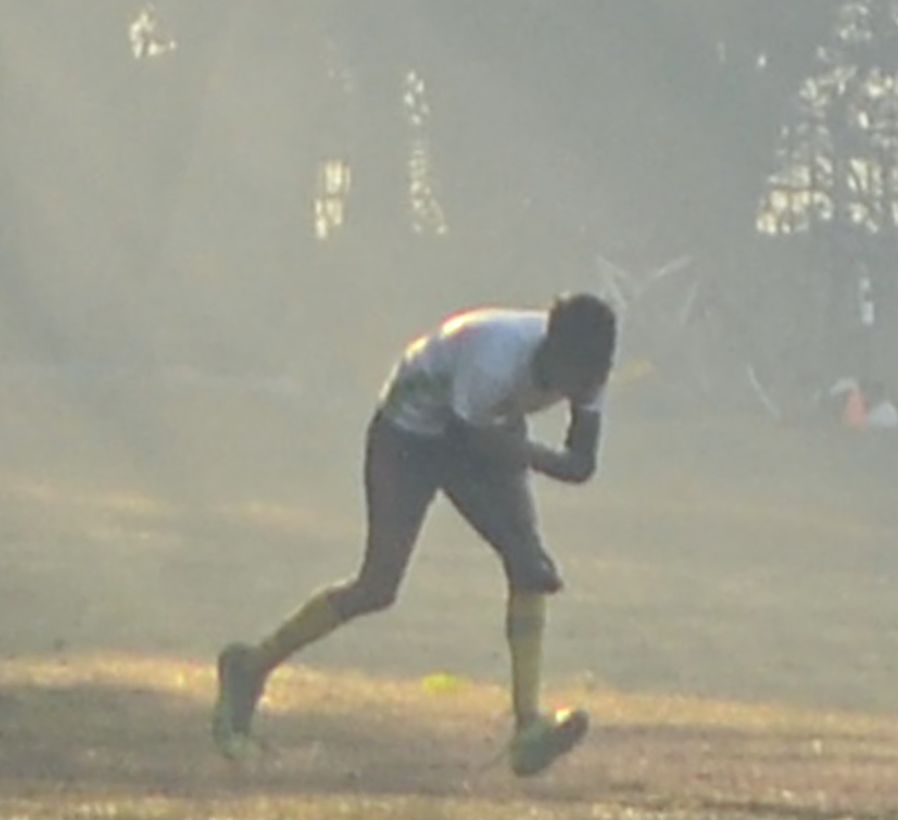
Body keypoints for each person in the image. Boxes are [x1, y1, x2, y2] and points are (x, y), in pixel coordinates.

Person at [213, 293, 616, 776]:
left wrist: (539, 457)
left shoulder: (588, 366)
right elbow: (474, 446)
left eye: (594, 375)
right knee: (378, 584)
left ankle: (528, 726)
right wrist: (538, 457)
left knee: (530, 568)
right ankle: (250, 666)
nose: (585, 386)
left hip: (484, 429)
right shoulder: (494, 358)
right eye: (579, 374)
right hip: (410, 434)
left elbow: (580, 463)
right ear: (552, 349)